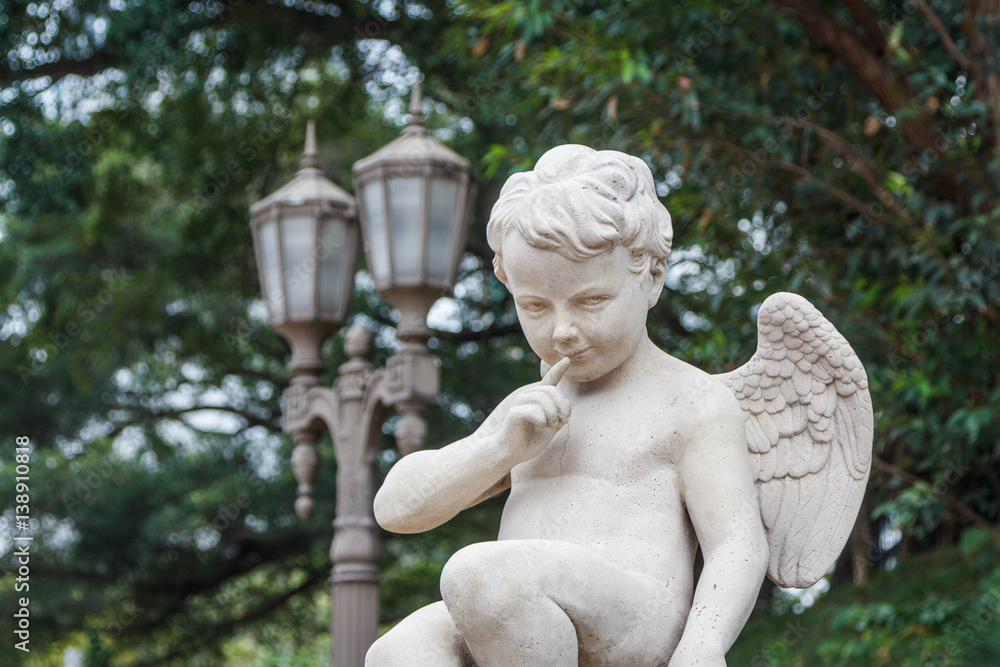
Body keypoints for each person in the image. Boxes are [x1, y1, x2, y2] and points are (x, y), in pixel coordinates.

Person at [367, 144, 769, 667]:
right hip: (515, 605)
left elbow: (737, 542)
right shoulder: (536, 407)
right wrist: (499, 448)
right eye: (535, 306)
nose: (561, 331)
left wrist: (704, 643)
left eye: (591, 301)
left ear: (650, 276)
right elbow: (395, 509)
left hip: (638, 617)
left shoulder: (691, 400)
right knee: (398, 651)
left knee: (481, 576)